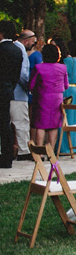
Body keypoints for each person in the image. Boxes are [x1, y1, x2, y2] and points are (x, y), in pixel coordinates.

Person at [29, 42, 68, 151]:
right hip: (57, 98)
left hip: (42, 97)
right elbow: (66, 85)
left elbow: (31, 85)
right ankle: (50, 151)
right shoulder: (62, 68)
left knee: (41, 124)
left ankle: (39, 151)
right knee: (54, 125)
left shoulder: (39, 67)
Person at [12, 29, 38, 159]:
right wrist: (29, 86)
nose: (32, 45)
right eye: (32, 42)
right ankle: (23, 150)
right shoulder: (20, 50)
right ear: (26, 40)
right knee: (21, 122)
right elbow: (22, 73)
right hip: (18, 92)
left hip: (8, 92)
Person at [0, 21, 21, 167]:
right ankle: (7, 158)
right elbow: (16, 75)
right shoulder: (17, 50)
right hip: (7, 90)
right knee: (5, 123)